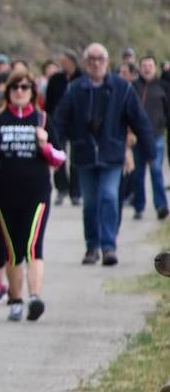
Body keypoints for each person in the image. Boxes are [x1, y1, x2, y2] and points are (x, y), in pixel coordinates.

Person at [0, 66, 66, 321]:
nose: (20, 92)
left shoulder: (42, 120)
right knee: (13, 250)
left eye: (25, 87)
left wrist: (45, 146)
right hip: (3, 194)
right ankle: (16, 299)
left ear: (33, 92)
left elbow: (59, 158)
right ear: (8, 92)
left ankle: (35, 297)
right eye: (15, 87)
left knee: (33, 244)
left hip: (37, 194)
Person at [51, 43, 157, 266]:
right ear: (85, 63)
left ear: (107, 62)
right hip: (85, 153)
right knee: (90, 202)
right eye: (91, 59)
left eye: (100, 59)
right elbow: (60, 120)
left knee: (109, 196)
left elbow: (139, 121)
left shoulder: (122, 88)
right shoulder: (75, 88)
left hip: (111, 153)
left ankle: (109, 246)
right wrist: (51, 148)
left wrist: (149, 152)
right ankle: (92, 246)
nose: (96, 63)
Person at [130, 55, 169, 221]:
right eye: (144, 65)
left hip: (156, 136)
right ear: (139, 68)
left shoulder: (162, 87)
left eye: (150, 65)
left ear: (155, 67)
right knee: (138, 173)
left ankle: (161, 206)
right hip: (137, 137)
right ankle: (139, 206)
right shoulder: (133, 87)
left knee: (156, 171)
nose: (147, 68)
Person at [46, 50, 83, 205]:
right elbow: (49, 101)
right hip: (58, 122)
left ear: (72, 62)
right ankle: (62, 189)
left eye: (64, 61)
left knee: (76, 158)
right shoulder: (55, 79)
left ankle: (76, 192)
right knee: (57, 155)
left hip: (78, 123)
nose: (62, 64)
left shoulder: (82, 78)